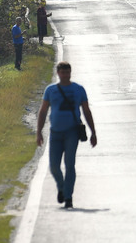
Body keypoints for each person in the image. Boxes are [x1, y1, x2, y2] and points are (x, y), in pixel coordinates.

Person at [37, 62, 97, 209]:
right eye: (62, 73)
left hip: (72, 133)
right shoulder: (50, 90)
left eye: (67, 72)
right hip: (55, 132)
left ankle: (68, 196)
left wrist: (93, 132)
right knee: (54, 167)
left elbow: (86, 111)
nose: (65, 75)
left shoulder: (78, 89)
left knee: (70, 164)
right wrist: (38, 132)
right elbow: (43, 111)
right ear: (58, 73)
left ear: (70, 73)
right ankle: (62, 187)